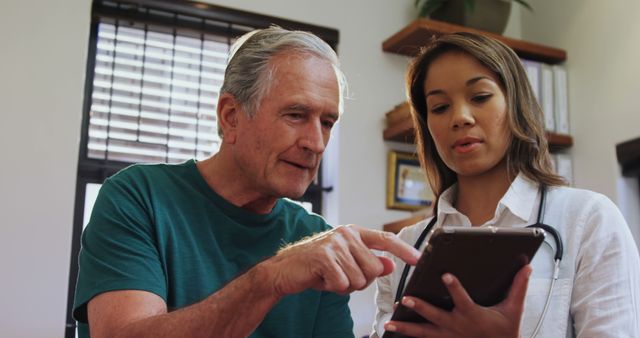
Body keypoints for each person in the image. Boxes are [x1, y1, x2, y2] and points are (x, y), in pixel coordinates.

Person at [73, 26, 421, 338]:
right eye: (296, 115)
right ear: (231, 116)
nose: (315, 143)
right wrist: (270, 279)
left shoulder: (315, 237)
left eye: (327, 122)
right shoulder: (138, 198)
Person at [372, 32, 640, 338]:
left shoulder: (588, 220)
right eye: (440, 107)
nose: (459, 117)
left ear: (516, 104)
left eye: (480, 97)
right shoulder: (404, 249)